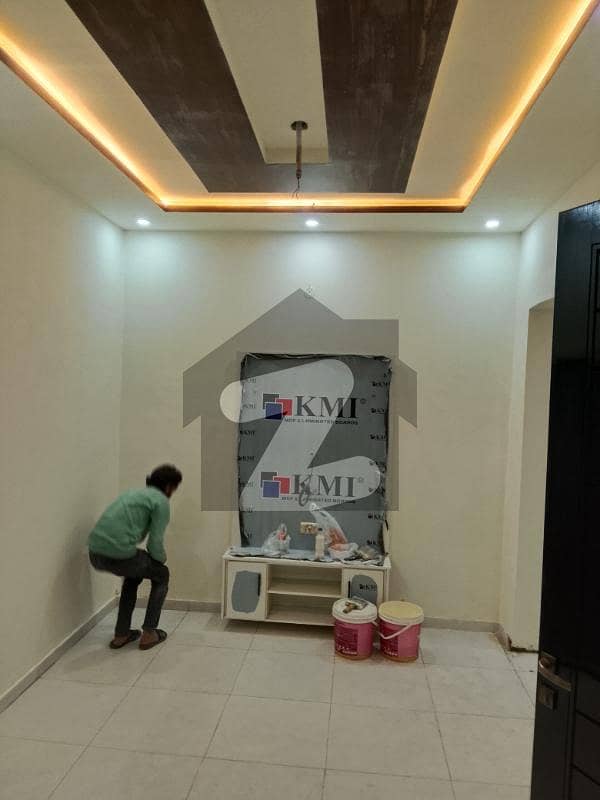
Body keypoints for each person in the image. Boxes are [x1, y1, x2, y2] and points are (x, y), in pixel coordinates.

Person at [88, 464, 182, 650]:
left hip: (95, 552)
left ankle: (121, 634)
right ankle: (149, 633)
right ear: (169, 487)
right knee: (162, 574)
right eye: (175, 488)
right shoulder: (161, 501)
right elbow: (154, 543)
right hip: (118, 554)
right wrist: (160, 561)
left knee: (134, 575)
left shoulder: (133, 493)